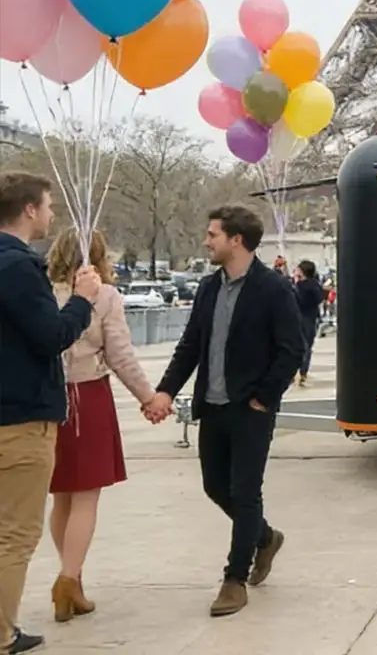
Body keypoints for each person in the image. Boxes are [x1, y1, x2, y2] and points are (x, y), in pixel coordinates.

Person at [142, 206, 304, 619]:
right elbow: (191, 346)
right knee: (216, 487)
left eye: (213, 234)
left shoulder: (273, 289)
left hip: (251, 409)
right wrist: (165, 390)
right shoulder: (210, 287)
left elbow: (291, 349)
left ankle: (234, 579)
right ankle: (265, 537)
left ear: (236, 240)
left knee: (246, 491)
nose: (206, 240)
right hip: (211, 407)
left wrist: (264, 397)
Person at [0, 172, 101, 655]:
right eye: (49, 205)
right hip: (19, 418)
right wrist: (83, 301)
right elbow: (50, 336)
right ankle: (2, 632)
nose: (53, 213)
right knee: (15, 534)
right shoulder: (19, 267)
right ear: (29, 210)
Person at [45, 228, 163, 624]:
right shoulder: (105, 296)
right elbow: (120, 354)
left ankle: (72, 580)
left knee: (61, 495)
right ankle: (68, 579)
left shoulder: (43, 292)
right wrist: (148, 397)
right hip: (88, 398)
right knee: (85, 497)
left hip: (47, 398)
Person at [292, 261, 326, 387]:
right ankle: (303, 372)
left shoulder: (300, 286)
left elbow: (298, 301)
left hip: (301, 317)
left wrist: (296, 283)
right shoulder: (315, 284)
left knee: (300, 346)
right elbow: (320, 298)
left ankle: (297, 372)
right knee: (308, 346)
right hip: (312, 317)